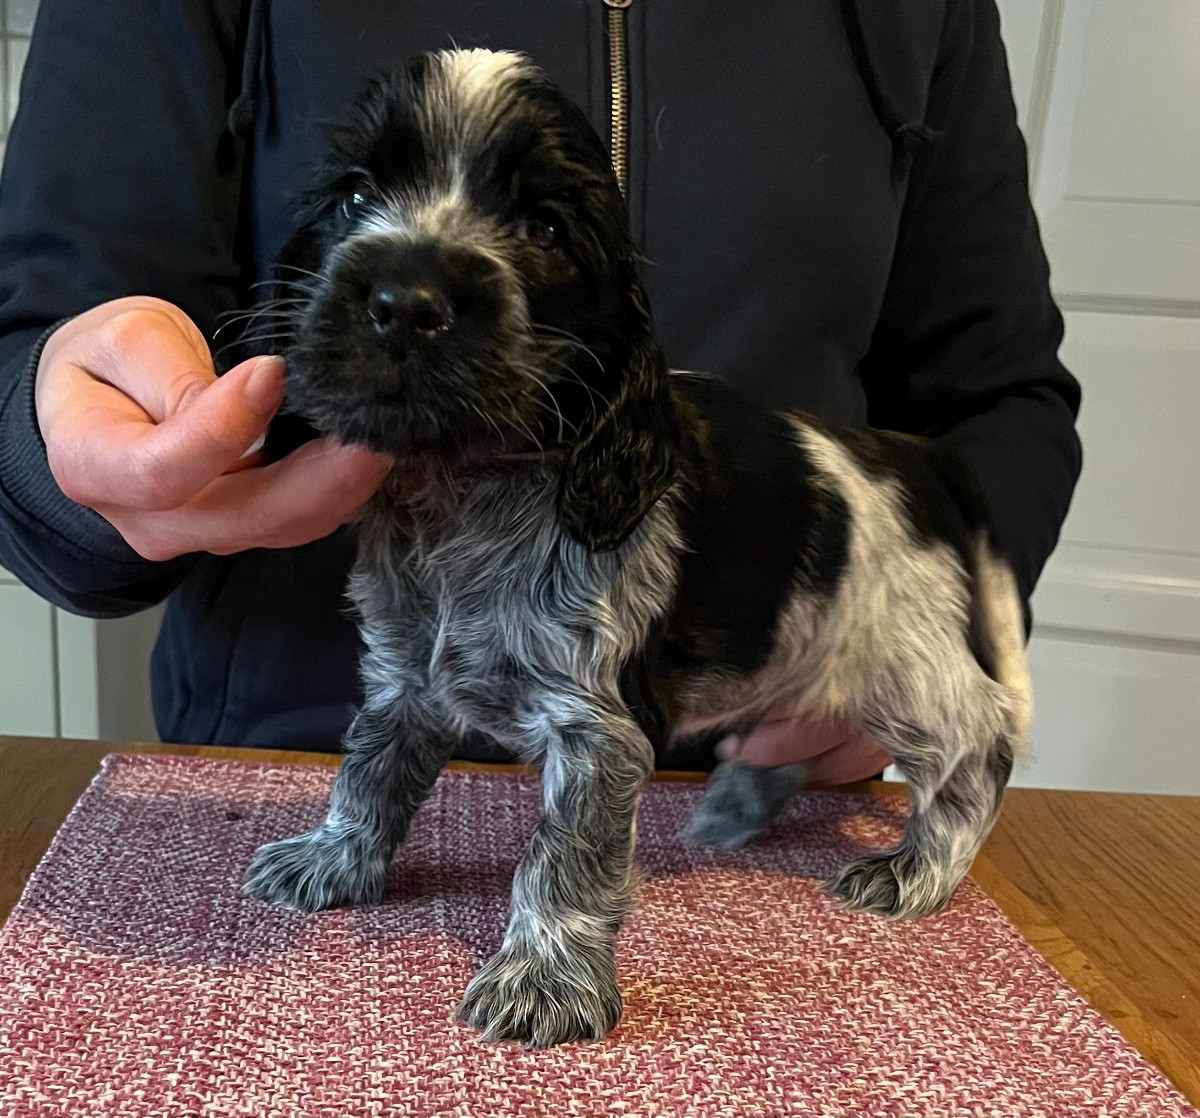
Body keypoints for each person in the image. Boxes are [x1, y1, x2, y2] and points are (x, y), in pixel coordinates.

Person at [0, 0, 1081, 784]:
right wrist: (67, 448)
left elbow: (995, 395)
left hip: (749, 801)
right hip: (282, 772)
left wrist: (937, 629)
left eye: (542, 227)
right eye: (367, 192)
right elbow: (34, 348)